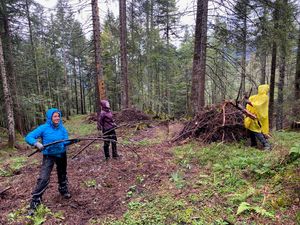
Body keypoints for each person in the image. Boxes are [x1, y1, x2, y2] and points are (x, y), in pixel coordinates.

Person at [25, 108, 71, 214]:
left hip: (61, 154)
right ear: (50, 117)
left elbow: (65, 140)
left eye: (58, 116)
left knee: (62, 173)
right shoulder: (43, 128)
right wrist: (36, 143)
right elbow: (29, 137)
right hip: (48, 156)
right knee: (43, 178)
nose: (57, 118)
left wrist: (70, 142)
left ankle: (63, 190)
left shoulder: (62, 128)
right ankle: (35, 202)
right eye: (55, 116)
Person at [244, 84, 271, 150]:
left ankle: (266, 144)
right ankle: (254, 144)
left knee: (257, 131)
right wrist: (247, 99)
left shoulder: (265, 97)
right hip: (252, 116)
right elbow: (250, 100)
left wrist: (249, 102)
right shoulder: (255, 96)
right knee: (251, 130)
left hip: (258, 117)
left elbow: (258, 105)